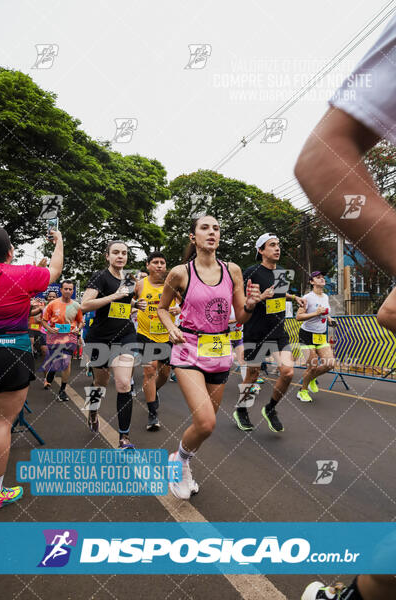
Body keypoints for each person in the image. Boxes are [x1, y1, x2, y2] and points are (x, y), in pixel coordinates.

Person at [296, 14, 396, 600]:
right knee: (285, 365)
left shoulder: (313, 294)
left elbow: (382, 315)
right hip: (282, 334)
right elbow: (323, 155)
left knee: (324, 362)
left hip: (321, 330)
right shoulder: (275, 286)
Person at [157, 215, 261, 500]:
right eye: (205, 228)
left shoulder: (233, 271)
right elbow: (162, 308)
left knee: (205, 425)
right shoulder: (179, 273)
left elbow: (240, 315)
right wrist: (171, 328)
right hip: (188, 348)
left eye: (216, 227)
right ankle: (177, 462)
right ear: (193, 237)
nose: (212, 232)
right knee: (206, 422)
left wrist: (250, 305)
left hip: (219, 349)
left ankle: (182, 462)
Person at [0, 227, 63, 510]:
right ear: (10, 252)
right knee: (1, 423)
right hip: (11, 351)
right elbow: (55, 269)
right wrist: (59, 240)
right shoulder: (20, 274)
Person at [233, 234, 304, 433]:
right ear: (261, 251)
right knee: (253, 375)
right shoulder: (252, 272)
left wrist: (294, 297)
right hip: (255, 331)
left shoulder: (282, 272)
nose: (277, 248)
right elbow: (240, 297)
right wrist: (258, 298)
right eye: (272, 245)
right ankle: (241, 410)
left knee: (288, 372)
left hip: (278, 331)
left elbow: (279, 292)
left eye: (278, 245)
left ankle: (270, 408)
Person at [81, 240, 138, 448]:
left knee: (123, 384)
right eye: (115, 252)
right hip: (100, 338)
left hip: (125, 335)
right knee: (100, 383)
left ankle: (124, 438)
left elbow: (124, 301)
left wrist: (134, 303)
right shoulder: (100, 276)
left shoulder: (130, 278)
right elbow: (85, 305)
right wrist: (115, 295)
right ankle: (93, 411)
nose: (120, 256)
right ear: (107, 256)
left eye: (124, 253)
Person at [134, 251, 180, 431]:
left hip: (167, 335)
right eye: (155, 262)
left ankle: (153, 392)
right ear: (148, 265)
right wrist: (134, 305)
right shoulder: (139, 285)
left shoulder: (173, 285)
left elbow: (186, 304)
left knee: (164, 373)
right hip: (146, 334)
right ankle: (153, 412)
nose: (159, 265)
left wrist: (178, 309)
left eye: (162, 262)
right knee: (149, 370)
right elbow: (126, 301)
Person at [296, 271, 336, 402]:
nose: (322, 279)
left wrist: (329, 319)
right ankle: (302, 391)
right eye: (318, 278)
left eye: (323, 277)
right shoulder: (307, 297)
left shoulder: (325, 297)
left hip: (320, 335)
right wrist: (315, 313)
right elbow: (298, 317)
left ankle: (312, 377)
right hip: (306, 335)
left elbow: (323, 312)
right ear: (312, 282)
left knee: (330, 363)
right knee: (312, 366)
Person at [42, 280, 84, 400]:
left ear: (73, 291)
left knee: (66, 362)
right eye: (65, 289)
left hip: (70, 336)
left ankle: (62, 390)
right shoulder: (52, 304)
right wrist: (50, 329)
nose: (68, 291)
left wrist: (78, 329)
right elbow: (44, 321)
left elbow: (81, 322)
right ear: (61, 290)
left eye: (70, 289)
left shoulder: (76, 305)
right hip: (54, 337)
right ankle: (51, 372)